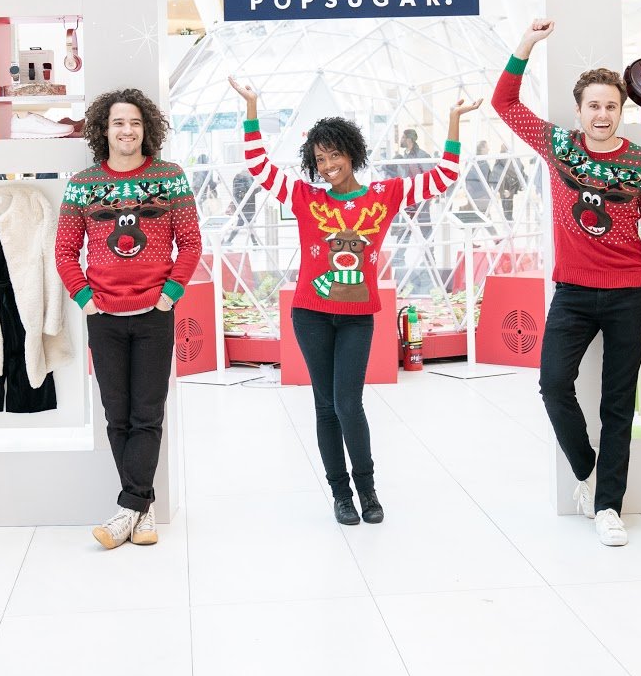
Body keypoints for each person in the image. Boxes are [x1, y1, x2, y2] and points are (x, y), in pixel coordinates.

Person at [229, 75, 477, 525]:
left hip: (358, 317)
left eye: (335, 156)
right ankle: (340, 494)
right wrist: (251, 109)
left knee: (349, 403)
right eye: (320, 159)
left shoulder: (385, 194)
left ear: (352, 154)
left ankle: (368, 490)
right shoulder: (305, 197)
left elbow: (445, 177)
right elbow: (259, 167)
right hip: (309, 314)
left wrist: (455, 120)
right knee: (325, 405)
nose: (328, 166)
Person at [493, 19, 641, 548]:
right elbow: (504, 104)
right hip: (572, 292)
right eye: (593, 106)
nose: (602, 115)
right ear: (579, 111)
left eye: (611, 106)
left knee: (618, 404)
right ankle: (586, 469)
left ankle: (609, 506)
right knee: (553, 385)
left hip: (627, 294)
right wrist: (525, 45)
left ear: (623, 110)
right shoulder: (560, 148)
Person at [55, 88, 201, 550]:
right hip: (104, 317)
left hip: (155, 315)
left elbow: (191, 243)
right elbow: (64, 251)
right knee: (117, 415)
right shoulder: (83, 183)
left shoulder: (169, 177)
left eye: (135, 123)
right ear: (104, 129)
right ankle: (143, 507)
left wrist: (167, 298)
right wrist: (87, 300)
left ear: (146, 128)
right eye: (118, 123)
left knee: (147, 414)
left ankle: (125, 512)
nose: (127, 131)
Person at [493, 143, 524, 223]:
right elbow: (497, 170)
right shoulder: (502, 157)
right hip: (505, 182)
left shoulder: (508, 156)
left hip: (509, 182)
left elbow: (518, 167)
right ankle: (508, 217)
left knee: (508, 200)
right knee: (506, 200)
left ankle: (508, 217)